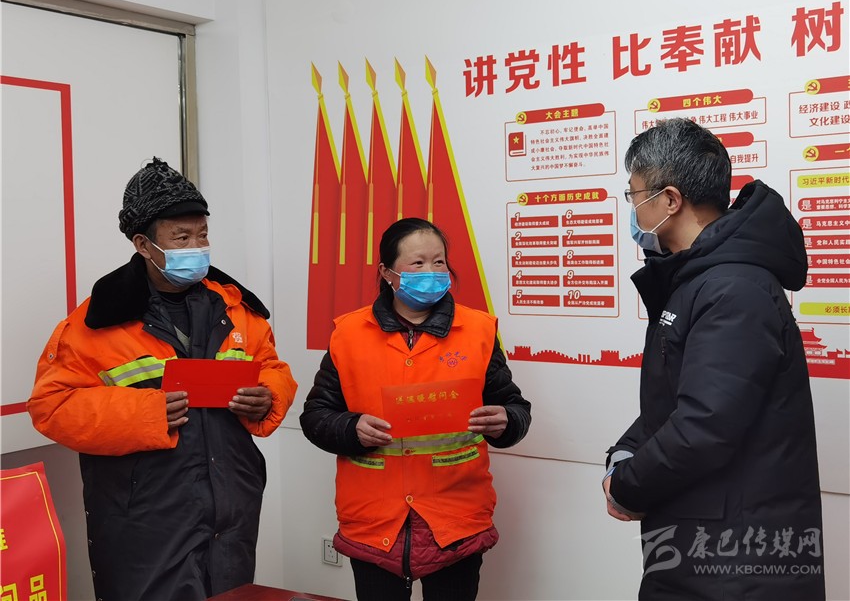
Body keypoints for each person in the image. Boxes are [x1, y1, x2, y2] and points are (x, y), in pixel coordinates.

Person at [27, 158, 298, 601]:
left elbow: (272, 366)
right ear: (143, 244)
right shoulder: (96, 322)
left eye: (203, 234)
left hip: (230, 512)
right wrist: (146, 412)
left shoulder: (236, 309)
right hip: (145, 522)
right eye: (182, 237)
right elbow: (52, 407)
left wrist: (268, 396)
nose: (198, 246)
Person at [604, 118, 825, 600]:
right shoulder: (697, 279)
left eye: (633, 194)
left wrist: (627, 485)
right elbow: (677, 400)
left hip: (735, 563)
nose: (632, 209)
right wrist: (624, 453)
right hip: (700, 546)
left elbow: (704, 426)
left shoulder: (733, 287)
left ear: (669, 200)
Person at [300, 218, 531, 601]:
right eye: (418, 264)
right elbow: (315, 417)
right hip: (374, 522)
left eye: (439, 262)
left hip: (455, 521)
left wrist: (506, 421)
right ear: (387, 273)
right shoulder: (349, 334)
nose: (432, 272)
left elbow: (515, 408)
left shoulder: (477, 330)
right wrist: (351, 428)